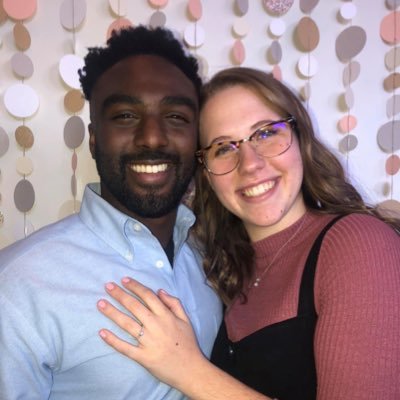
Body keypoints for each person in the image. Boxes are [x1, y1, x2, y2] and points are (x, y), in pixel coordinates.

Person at [96, 67, 400, 400]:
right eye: (224, 148)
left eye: (266, 133)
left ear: (300, 137)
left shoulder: (357, 244)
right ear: (207, 174)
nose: (250, 164)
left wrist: (186, 369)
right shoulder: (221, 266)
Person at [0, 26, 222, 400]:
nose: (152, 137)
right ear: (93, 138)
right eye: (125, 116)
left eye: (176, 117)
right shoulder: (17, 287)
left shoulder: (209, 259)